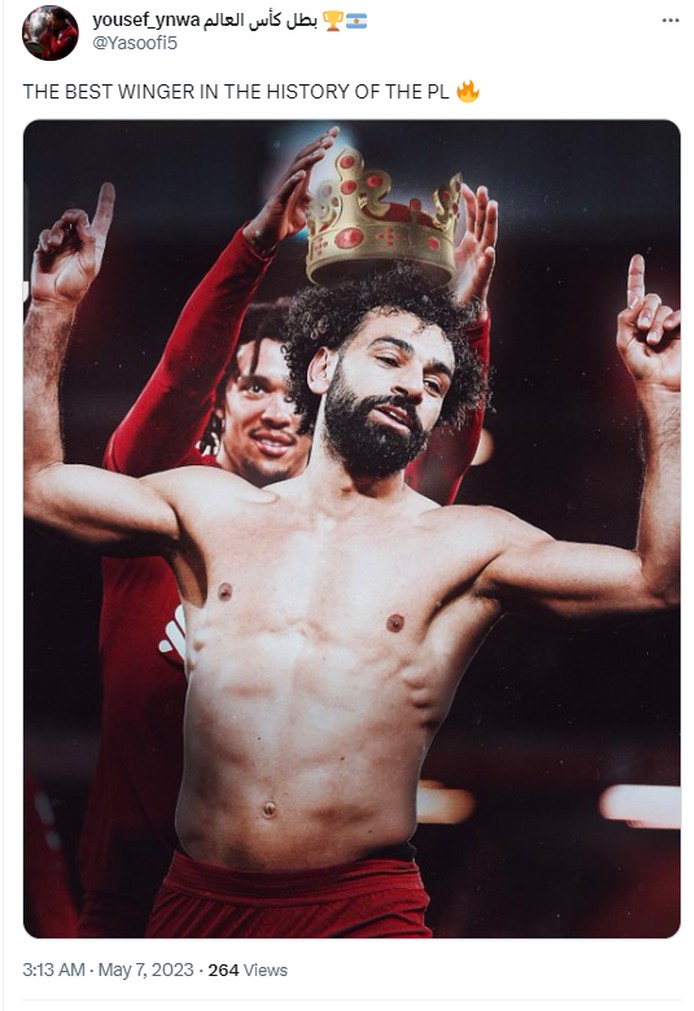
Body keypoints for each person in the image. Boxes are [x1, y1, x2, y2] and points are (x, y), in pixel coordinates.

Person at [25, 184, 678, 940]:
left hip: (363, 916)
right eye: (390, 357)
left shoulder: (464, 544)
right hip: (195, 908)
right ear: (321, 369)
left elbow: (656, 579)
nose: (411, 385)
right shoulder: (212, 510)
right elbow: (36, 486)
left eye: (434, 381)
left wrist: (664, 396)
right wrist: (51, 308)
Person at [72, 137, 496, 937]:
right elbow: (178, 378)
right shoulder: (158, 507)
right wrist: (254, 246)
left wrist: (462, 323)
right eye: (252, 386)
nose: (276, 411)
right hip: (134, 902)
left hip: (293, 899)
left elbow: (441, 455)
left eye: (293, 398)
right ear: (216, 406)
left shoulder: (365, 532)